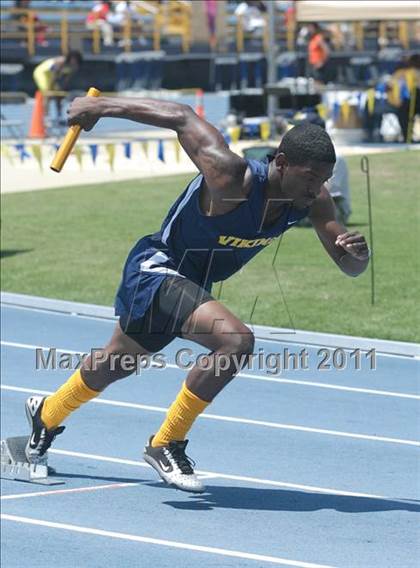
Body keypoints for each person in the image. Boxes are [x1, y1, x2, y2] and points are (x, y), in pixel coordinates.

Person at [24, 96, 370, 493]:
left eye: (324, 178)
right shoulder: (230, 177)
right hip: (157, 269)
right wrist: (102, 106)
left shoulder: (312, 202)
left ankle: (46, 414)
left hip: (191, 285)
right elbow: (182, 117)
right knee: (236, 340)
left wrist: (358, 254)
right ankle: (166, 442)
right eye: (310, 177)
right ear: (281, 162)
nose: (317, 188)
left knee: (114, 364)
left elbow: (349, 266)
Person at [32, 51, 83, 119]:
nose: (74, 61)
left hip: (52, 76)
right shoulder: (61, 62)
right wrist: (51, 87)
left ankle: (59, 116)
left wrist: (61, 89)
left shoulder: (75, 66)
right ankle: (46, 117)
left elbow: (66, 79)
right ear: (70, 58)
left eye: (76, 60)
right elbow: (54, 76)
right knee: (48, 93)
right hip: (43, 73)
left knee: (58, 95)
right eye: (73, 59)